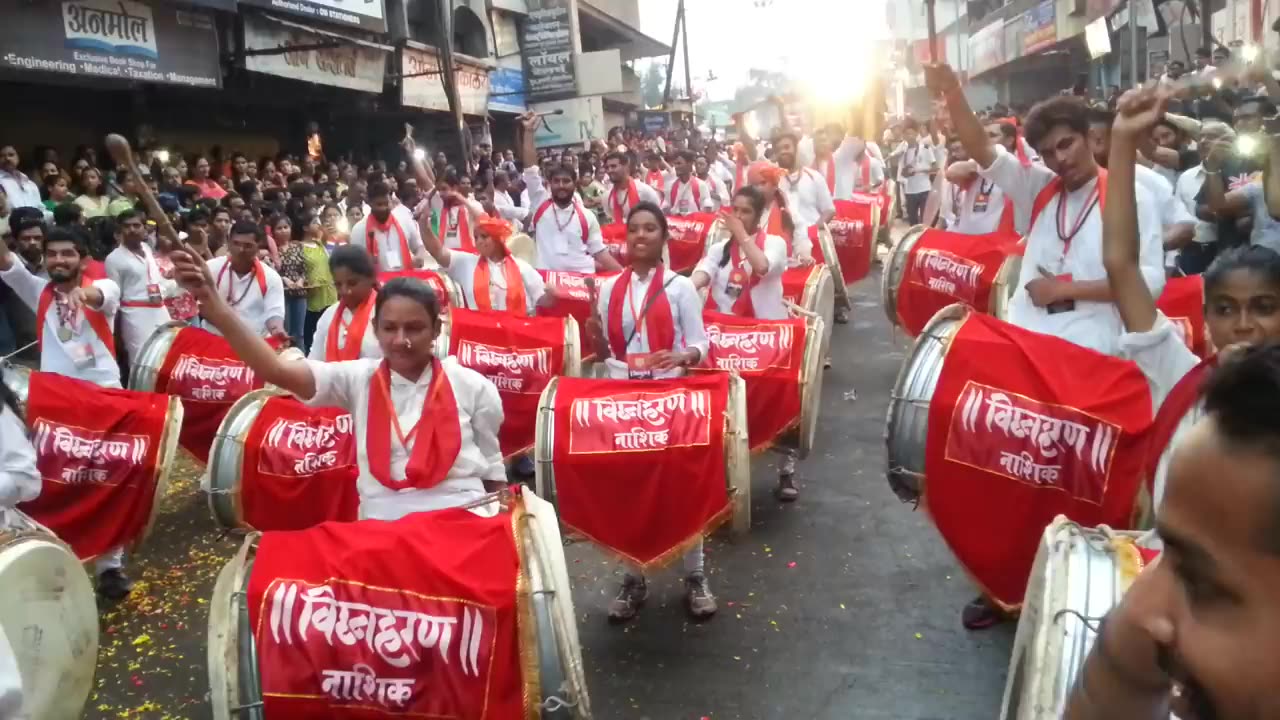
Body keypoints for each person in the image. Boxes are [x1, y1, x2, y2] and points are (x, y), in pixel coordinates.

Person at [169, 252, 507, 521]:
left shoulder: (473, 387)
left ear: (436, 330)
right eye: (389, 328)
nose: (400, 340)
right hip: (381, 530)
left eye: (414, 328)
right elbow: (274, 368)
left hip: (461, 525)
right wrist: (216, 307)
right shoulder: (357, 379)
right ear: (377, 329)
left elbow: (493, 476)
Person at [929, 63, 1166, 358]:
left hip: (1093, 355)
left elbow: (1151, 283)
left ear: (1091, 138)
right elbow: (981, 148)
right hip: (1025, 346)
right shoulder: (1039, 188)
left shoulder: (1131, 199)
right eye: (1049, 153)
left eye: (1066, 144)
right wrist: (952, 91)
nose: (1061, 158)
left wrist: (1065, 291)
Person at [581, 202, 715, 622]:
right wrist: (597, 341)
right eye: (633, 230)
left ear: (663, 238)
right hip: (623, 396)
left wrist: (682, 354)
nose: (639, 236)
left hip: (670, 396)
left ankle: (695, 575)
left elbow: (701, 342)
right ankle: (632, 576)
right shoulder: (608, 288)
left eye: (649, 229)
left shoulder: (679, 287)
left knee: (682, 484)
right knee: (627, 485)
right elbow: (607, 355)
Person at [0, 224, 133, 598]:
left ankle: (111, 566)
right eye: (53, 253)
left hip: (105, 403)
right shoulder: (37, 291)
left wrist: (83, 294)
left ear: (83, 258)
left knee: (107, 482)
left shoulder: (104, 288)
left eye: (67, 253)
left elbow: (102, 294)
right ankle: (64, 558)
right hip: (57, 407)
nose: (59, 260)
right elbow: (7, 261)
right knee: (64, 483)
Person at [692, 186, 801, 501]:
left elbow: (762, 266)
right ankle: (722, 475)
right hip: (725, 342)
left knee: (783, 399)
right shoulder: (718, 250)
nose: (738, 217)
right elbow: (699, 277)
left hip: (765, 341)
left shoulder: (776, 243)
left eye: (746, 212)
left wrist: (741, 236)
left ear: (759, 216)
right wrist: (676, 289)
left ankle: (785, 470)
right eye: (734, 211)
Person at [518, 113, 620, 273]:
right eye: (556, 181)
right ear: (549, 184)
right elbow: (530, 169)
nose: (561, 186)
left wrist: (627, 277)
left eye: (566, 181)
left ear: (575, 183)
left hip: (580, 285)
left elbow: (599, 252)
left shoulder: (587, 216)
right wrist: (529, 132)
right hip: (546, 284)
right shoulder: (540, 203)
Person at [422, 210, 545, 316]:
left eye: (484, 236)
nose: (479, 242)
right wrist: (423, 224)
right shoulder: (467, 263)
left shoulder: (522, 268)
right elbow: (437, 252)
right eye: (476, 238)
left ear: (497, 239)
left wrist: (552, 295)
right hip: (479, 336)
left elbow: (542, 299)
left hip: (515, 335)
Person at [104, 210, 172, 360]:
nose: (132, 230)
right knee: (141, 360)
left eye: (136, 225)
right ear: (120, 230)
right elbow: (114, 297)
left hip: (160, 310)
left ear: (144, 228)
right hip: (135, 315)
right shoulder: (113, 258)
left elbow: (157, 280)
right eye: (127, 226)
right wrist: (116, 332)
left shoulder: (147, 249)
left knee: (167, 355)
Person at [203, 220, 287, 341]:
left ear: (258, 246)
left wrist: (277, 330)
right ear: (228, 243)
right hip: (214, 340)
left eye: (248, 246)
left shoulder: (271, 277)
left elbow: (274, 312)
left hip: (252, 344)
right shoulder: (210, 268)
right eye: (236, 243)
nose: (241, 249)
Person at [309, 245, 381, 362]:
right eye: (338, 284)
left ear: (371, 278)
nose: (345, 291)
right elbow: (315, 362)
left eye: (352, 283)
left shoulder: (385, 312)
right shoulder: (329, 314)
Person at [351, 181, 426, 272]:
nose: (383, 208)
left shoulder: (404, 220)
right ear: (370, 203)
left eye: (386, 204)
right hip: (376, 283)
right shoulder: (358, 230)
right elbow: (355, 264)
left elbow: (419, 246)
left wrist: (419, 257)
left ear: (390, 201)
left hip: (404, 280)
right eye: (379, 204)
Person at [299, 209, 338, 350]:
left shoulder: (320, 244)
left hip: (329, 292)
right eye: (315, 222)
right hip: (313, 295)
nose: (318, 225)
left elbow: (329, 236)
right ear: (305, 227)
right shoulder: (299, 247)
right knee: (312, 331)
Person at [892, 119, 938, 225]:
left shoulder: (925, 148)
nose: (909, 136)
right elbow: (897, 166)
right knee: (913, 223)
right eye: (906, 134)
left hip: (924, 190)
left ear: (916, 133)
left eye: (911, 133)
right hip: (910, 191)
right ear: (903, 135)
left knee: (926, 222)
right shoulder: (903, 150)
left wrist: (918, 170)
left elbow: (935, 168)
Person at [273, 214, 309, 349]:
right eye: (279, 228)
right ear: (273, 231)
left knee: (299, 333)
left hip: (300, 293)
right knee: (286, 332)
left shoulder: (298, 246)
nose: (283, 231)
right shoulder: (272, 250)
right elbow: (271, 270)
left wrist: (300, 281)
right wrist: (285, 280)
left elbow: (305, 269)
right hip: (282, 295)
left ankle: (301, 360)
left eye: (285, 227)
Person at [603, 150, 661, 224]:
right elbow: (610, 223)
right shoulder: (606, 196)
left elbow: (658, 219)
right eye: (607, 167)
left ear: (626, 166)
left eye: (613, 166)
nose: (609, 170)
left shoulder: (645, 191)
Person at [662, 150, 715, 215]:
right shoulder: (671, 186)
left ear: (689, 165)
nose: (676, 167)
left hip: (695, 222)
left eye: (679, 163)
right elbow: (665, 206)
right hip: (676, 222)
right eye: (675, 164)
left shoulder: (701, 185)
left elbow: (707, 206)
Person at [0, 146, 42, 211]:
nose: (7, 158)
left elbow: (40, 207)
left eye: (11, 155)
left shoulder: (30, 184)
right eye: (2, 156)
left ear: (18, 158)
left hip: (34, 219)